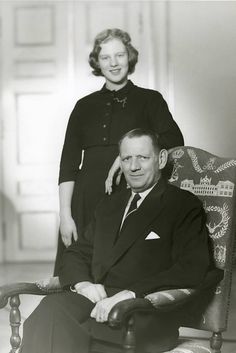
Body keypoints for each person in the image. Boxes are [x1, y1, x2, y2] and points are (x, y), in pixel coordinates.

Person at [21, 129, 220, 353]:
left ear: (161, 159)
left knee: (60, 332)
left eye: (142, 158)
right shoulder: (109, 206)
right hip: (97, 300)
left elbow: (192, 267)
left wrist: (131, 293)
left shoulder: (182, 205)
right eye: (126, 158)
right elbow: (77, 253)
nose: (133, 167)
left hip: (144, 311)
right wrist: (84, 284)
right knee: (49, 311)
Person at [53, 28, 184, 275]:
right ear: (97, 63)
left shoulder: (150, 100)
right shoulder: (83, 106)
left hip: (130, 195)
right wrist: (65, 215)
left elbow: (174, 139)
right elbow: (68, 165)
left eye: (120, 55)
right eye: (105, 57)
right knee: (79, 274)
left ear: (130, 57)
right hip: (85, 202)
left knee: (122, 274)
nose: (114, 63)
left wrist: (124, 157)